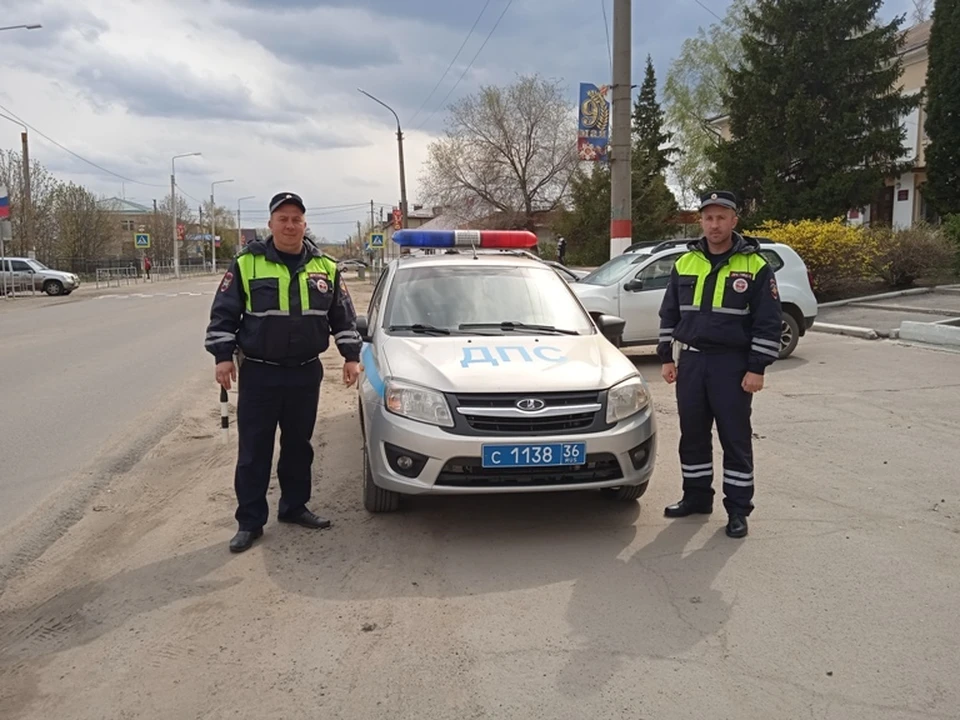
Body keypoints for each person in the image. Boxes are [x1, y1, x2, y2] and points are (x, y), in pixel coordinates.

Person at [204, 192, 362, 553]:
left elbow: (343, 316)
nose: (290, 225)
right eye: (283, 219)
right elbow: (224, 313)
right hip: (260, 373)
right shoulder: (246, 264)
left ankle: (294, 507)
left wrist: (351, 356)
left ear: (305, 225)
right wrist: (222, 356)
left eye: (296, 219)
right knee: (254, 449)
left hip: (306, 373)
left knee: (298, 446)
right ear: (271, 224)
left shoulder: (325, 267)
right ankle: (250, 521)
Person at [656, 190, 782, 539]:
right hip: (692, 363)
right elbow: (670, 314)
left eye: (721, 217)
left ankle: (738, 510)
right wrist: (666, 357)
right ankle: (696, 497)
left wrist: (757, 367)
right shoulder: (685, 263)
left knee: (735, 439)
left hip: (732, 365)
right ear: (701, 221)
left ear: (734, 221)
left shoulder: (755, 266)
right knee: (692, 435)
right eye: (708, 217)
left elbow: (768, 322)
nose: (714, 224)